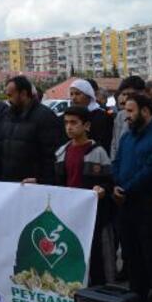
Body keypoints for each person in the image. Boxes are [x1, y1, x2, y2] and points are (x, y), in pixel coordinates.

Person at [112, 93, 152, 302]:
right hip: (125, 205)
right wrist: (116, 184)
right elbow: (116, 162)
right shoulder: (127, 137)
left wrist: (125, 188)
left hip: (146, 206)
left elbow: (149, 171)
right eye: (125, 111)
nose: (127, 116)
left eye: (131, 111)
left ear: (146, 111)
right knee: (131, 257)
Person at [55, 106, 114, 285]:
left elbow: (110, 181)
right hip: (69, 213)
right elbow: (57, 182)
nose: (69, 127)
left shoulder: (98, 152)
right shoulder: (61, 152)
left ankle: (99, 290)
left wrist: (103, 189)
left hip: (92, 216)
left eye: (74, 123)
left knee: (95, 255)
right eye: (66, 123)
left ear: (86, 125)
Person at [69, 79, 114, 152]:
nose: (73, 98)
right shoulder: (69, 116)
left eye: (77, 94)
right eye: (71, 94)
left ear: (88, 96)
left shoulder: (102, 117)